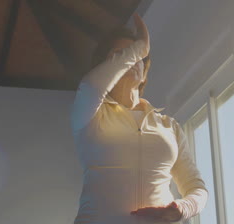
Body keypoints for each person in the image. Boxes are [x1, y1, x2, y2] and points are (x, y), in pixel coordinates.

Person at [70, 13, 208, 224]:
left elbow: (197, 188)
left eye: (139, 59)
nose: (133, 60)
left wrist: (182, 208)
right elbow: (90, 86)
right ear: (108, 67)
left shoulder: (169, 126)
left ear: (144, 73)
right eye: (122, 55)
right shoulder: (90, 114)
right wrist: (139, 48)